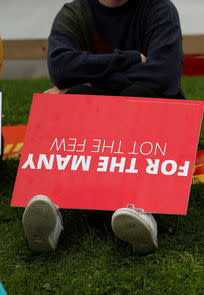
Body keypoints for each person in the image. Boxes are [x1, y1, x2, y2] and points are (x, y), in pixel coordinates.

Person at [22, 0, 184, 255]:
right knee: (75, 96)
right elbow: (61, 66)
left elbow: (164, 74)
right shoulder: (74, 13)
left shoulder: (159, 9)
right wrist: (129, 59)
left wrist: (92, 82)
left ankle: (142, 207)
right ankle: (52, 210)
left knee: (136, 94)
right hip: (100, 124)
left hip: (150, 122)